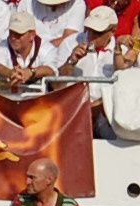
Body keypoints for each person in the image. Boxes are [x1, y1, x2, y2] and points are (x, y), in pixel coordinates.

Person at [58, 5, 118, 139]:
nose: (91, 36)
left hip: (106, 114)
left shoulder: (120, 51)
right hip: (74, 112)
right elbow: (57, 86)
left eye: (98, 32)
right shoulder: (69, 43)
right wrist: (71, 61)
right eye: (89, 30)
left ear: (112, 31)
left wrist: (97, 107)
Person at [10, 158, 83, 206]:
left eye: (32, 177)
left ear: (49, 180)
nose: (27, 181)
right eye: (27, 177)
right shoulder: (21, 200)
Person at [0, 11, 59, 86]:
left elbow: (51, 70)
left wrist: (31, 72)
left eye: (18, 34)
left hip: (40, 96)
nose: (13, 38)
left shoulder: (47, 49)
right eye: (11, 32)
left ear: (32, 35)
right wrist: (11, 73)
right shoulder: (2, 45)